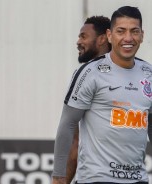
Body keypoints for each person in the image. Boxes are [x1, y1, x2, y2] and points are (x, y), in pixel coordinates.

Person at [52, 6, 151, 184]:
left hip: (138, 180)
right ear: (110, 35)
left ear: (142, 35)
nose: (128, 38)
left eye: (134, 31)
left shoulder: (148, 73)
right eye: (121, 31)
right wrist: (58, 177)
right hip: (96, 179)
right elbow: (68, 125)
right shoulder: (90, 72)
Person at [65, 15, 111, 184]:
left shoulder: (141, 74)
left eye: (83, 36)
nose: (78, 41)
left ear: (102, 39)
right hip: (90, 178)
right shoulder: (84, 76)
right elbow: (74, 142)